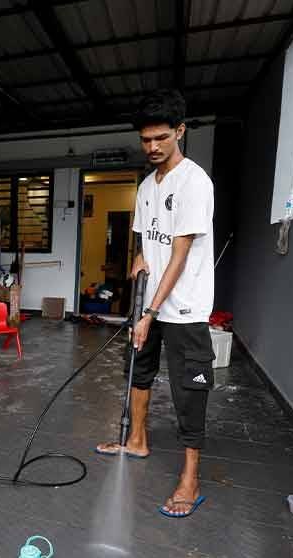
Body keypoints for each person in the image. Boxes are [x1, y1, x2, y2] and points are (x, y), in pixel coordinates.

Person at [95, 89, 216, 519]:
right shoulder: (146, 186)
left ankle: (190, 480)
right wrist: (141, 258)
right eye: (145, 140)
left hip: (184, 308)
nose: (152, 147)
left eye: (161, 138)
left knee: (189, 390)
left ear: (180, 131)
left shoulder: (195, 182)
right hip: (151, 302)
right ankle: (138, 441)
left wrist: (149, 313)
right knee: (138, 372)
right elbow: (148, 242)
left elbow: (180, 256)